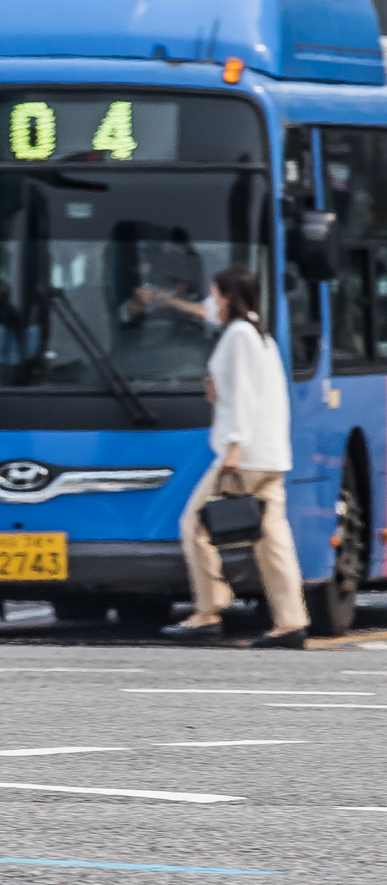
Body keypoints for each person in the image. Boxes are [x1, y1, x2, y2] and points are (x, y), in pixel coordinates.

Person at [162, 265, 307, 648]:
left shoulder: (239, 336)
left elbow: (242, 394)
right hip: (272, 454)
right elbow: (255, 394)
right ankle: (291, 621)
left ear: (227, 296)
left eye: (213, 293)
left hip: (244, 455)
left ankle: (209, 610)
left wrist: (235, 446)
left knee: (193, 522)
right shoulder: (260, 336)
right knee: (272, 539)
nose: (209, 301)